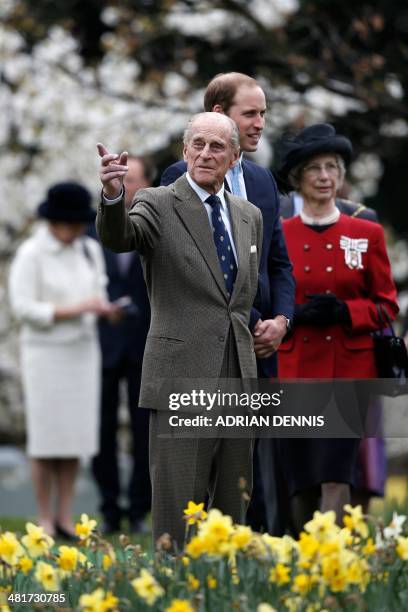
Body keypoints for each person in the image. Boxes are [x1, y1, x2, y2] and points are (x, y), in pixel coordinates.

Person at [96, 112, 263, 548]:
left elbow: (238, 300)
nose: (206, 154)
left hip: (239, 374)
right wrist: (114, 194)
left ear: (234, 156)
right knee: (179, 506)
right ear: (185, 150)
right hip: (181, 372)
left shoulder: (249, 216)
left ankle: (227, 592)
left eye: (217, 147)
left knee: (234, 505)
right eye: (198, 144)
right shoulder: (157, 202)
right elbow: (121, 237)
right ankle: (173, 592)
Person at [161, 71, 295, 532]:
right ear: (221, 116)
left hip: (260, 347)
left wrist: (281, 320)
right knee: (198, 466)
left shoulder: (262, 182)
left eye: (263, 113)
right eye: (251, 113)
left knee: (247, 466)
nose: (260, 123)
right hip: (207, 348)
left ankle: (245, 559)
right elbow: (198, 273)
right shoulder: (179, 179)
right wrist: (251, 320)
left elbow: (279, 263)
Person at [275, 123, 399, 532]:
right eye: (315, 169)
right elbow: (263, 300)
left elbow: (386, 306)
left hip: (349, 371)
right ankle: (298, 563)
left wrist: (347, 312)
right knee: (301, 482)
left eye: (333, 168)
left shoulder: (367, 233)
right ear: (298, 178)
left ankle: (333, 563)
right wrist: (293, 315)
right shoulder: (279, 233)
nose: (326, 177)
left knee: (335, 474)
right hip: (295, 372)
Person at [9, 182, 116, 538]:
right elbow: (23, 308)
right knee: (46, 439)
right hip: (45, 355)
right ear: (53, 221)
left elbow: (98, 293)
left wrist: (106, 311)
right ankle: (44, 517)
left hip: (82, 353)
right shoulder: (31, 254)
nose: (77, 230)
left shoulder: (89, 250)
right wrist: (74, 309)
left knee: (75, 438)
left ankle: (65, 517)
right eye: (70, 224)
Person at [91, 156, 153, 534]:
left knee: (146, 430)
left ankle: (139, 511)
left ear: (145, 183)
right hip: (103, 341)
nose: (127, 186)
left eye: (132, 180)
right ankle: (110, 510)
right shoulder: (93, 227)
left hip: (146, 341)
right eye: (121, 180)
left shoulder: (158, 224)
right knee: (101, 431)